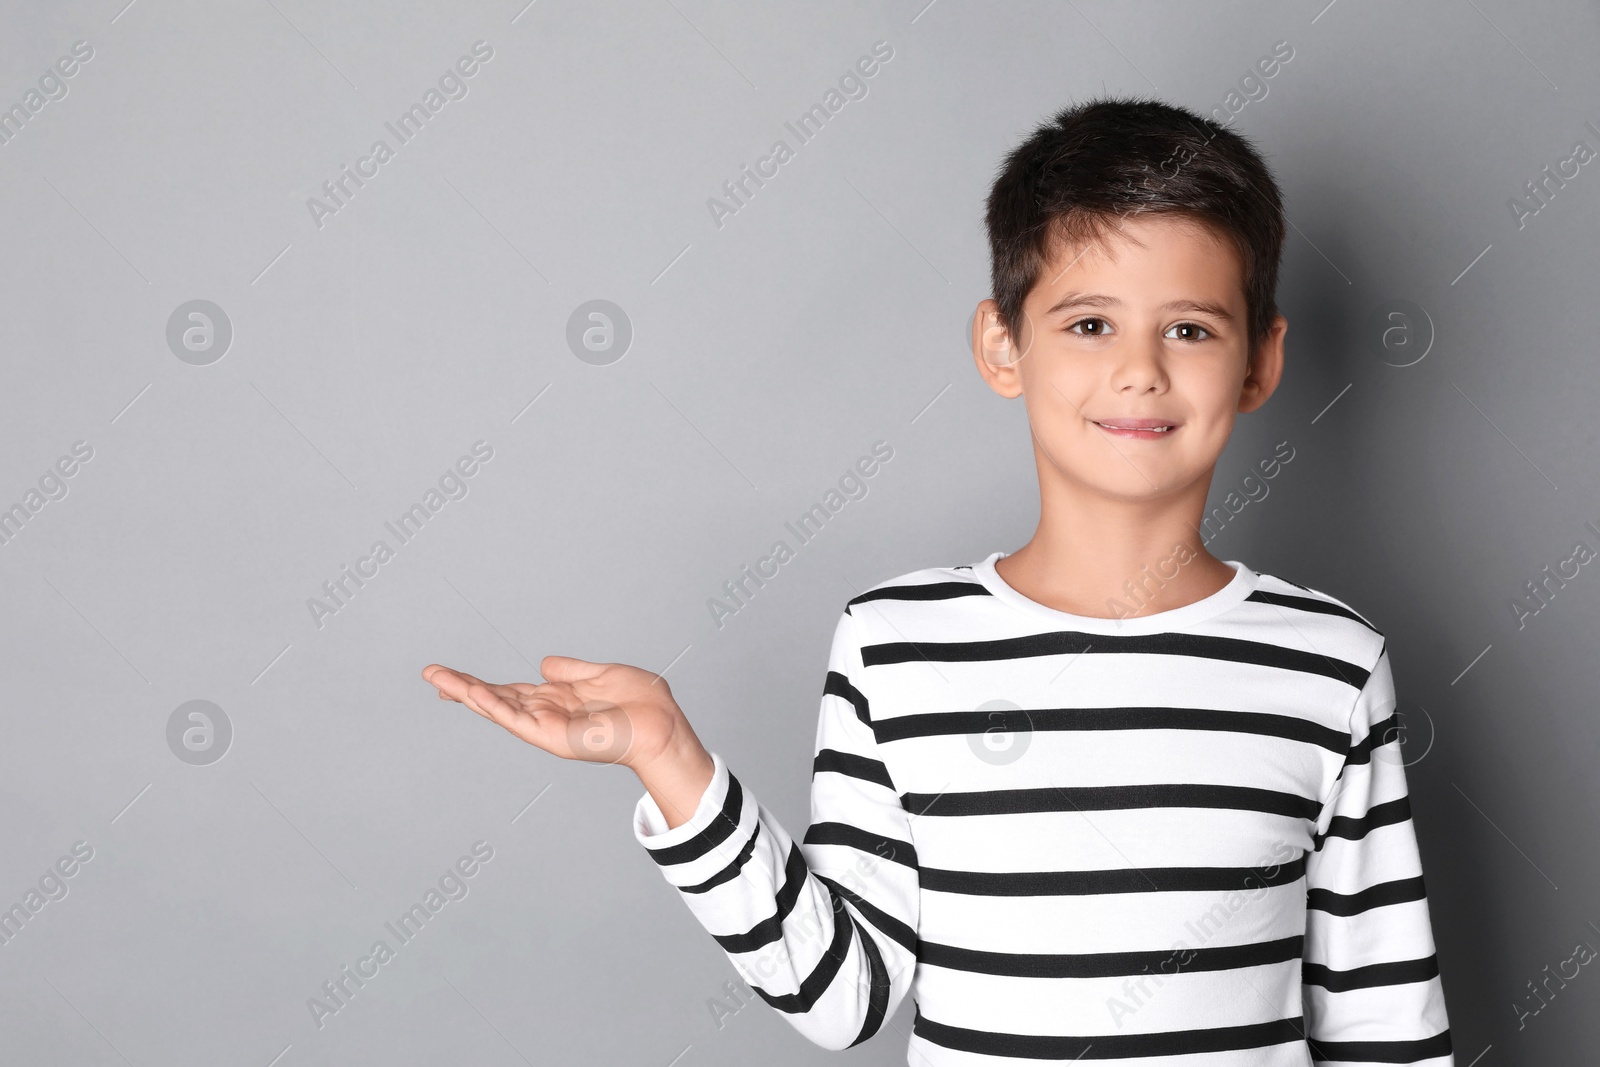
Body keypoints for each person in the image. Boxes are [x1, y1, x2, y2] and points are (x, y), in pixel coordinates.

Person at [422, 96, 1454, 1065]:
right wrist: (670, 759)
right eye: (1089, 323)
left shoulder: (1328, 663)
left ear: (1258, 362)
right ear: (1001, 346)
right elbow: (844, 995)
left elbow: (1385, 1025)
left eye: (1188, 328)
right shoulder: (895, 645)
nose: (1140, 368)